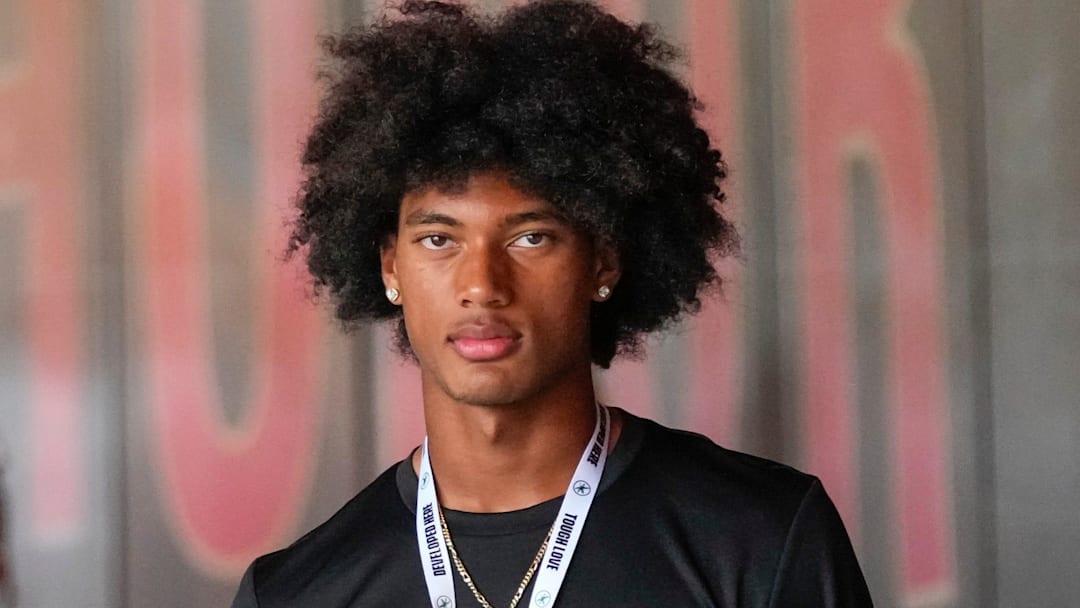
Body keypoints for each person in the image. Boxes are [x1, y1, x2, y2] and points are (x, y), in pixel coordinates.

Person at [231, 1, 872, 606]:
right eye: (438, 238)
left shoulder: (762, 543)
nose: (482, 284)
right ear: (389, 266)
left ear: (604, 261)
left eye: (530, 237)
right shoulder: (297, 592)